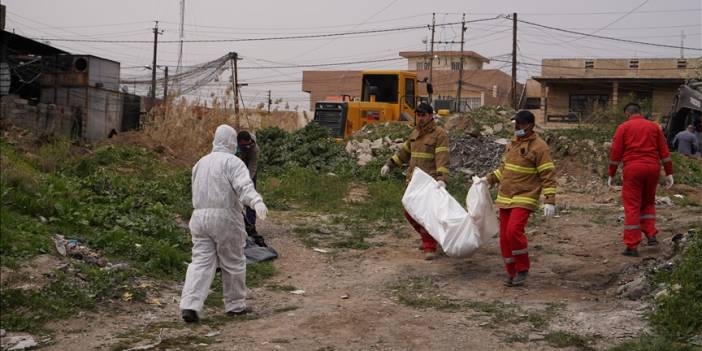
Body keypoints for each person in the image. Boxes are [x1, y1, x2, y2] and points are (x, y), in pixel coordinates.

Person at [180, 125, 269, 323]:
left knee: (200, 263)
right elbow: (244, 187)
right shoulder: (233, 162)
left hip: (199, 218)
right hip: (225, 217)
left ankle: (190, 305)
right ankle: (235, 306)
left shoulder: (200, 163)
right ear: (232, 142)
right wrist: (256, 201)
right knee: (233, 262)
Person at [482, 110, 556, 287]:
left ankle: (522, 269)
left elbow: (547, 173)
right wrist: (489, 179)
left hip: (525, 195)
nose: (517, 128)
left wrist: (550, 199)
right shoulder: (512, 144)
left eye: (520, 124)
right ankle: (512, 272)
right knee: (505, 237)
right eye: (515, 124)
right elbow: (504, 169)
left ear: (530, 125)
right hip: (506, 196)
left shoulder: (540, 147)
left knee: (514, 231)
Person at [380, 102, 450, 260]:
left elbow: (442, 159)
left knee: (425, 215)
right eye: (418, 115)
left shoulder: (439, 135)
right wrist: (389, 165)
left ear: (431, 116)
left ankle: (429, 246)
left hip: (429, 182)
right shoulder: (415, 133)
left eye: (423, 115)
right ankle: (429, 237)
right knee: (410, 212)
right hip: (413, 182)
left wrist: (442, 179)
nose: (420, 118)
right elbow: (404, 153)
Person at [608, 102, 674, 257]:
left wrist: (611, 174)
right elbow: (664, 152)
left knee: (632, 206)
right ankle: (651, 235)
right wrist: (670, 173)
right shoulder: (654, 127)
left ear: (627, 114)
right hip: (653, 169)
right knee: (648, 202)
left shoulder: (623, 128)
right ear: (640, 112)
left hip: (633, 169)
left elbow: (615, 154)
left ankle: (632, 246)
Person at [236, 131, 267, 247]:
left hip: (249, 168)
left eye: (249, 144)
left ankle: (251, 227)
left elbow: (253, 167)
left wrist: (246, 183)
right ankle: (236, 225)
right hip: (236, 163)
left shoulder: (255, 149)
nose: (247, 146)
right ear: (238, 143)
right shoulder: (233, 145)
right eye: (244, 145)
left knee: (250, 196)